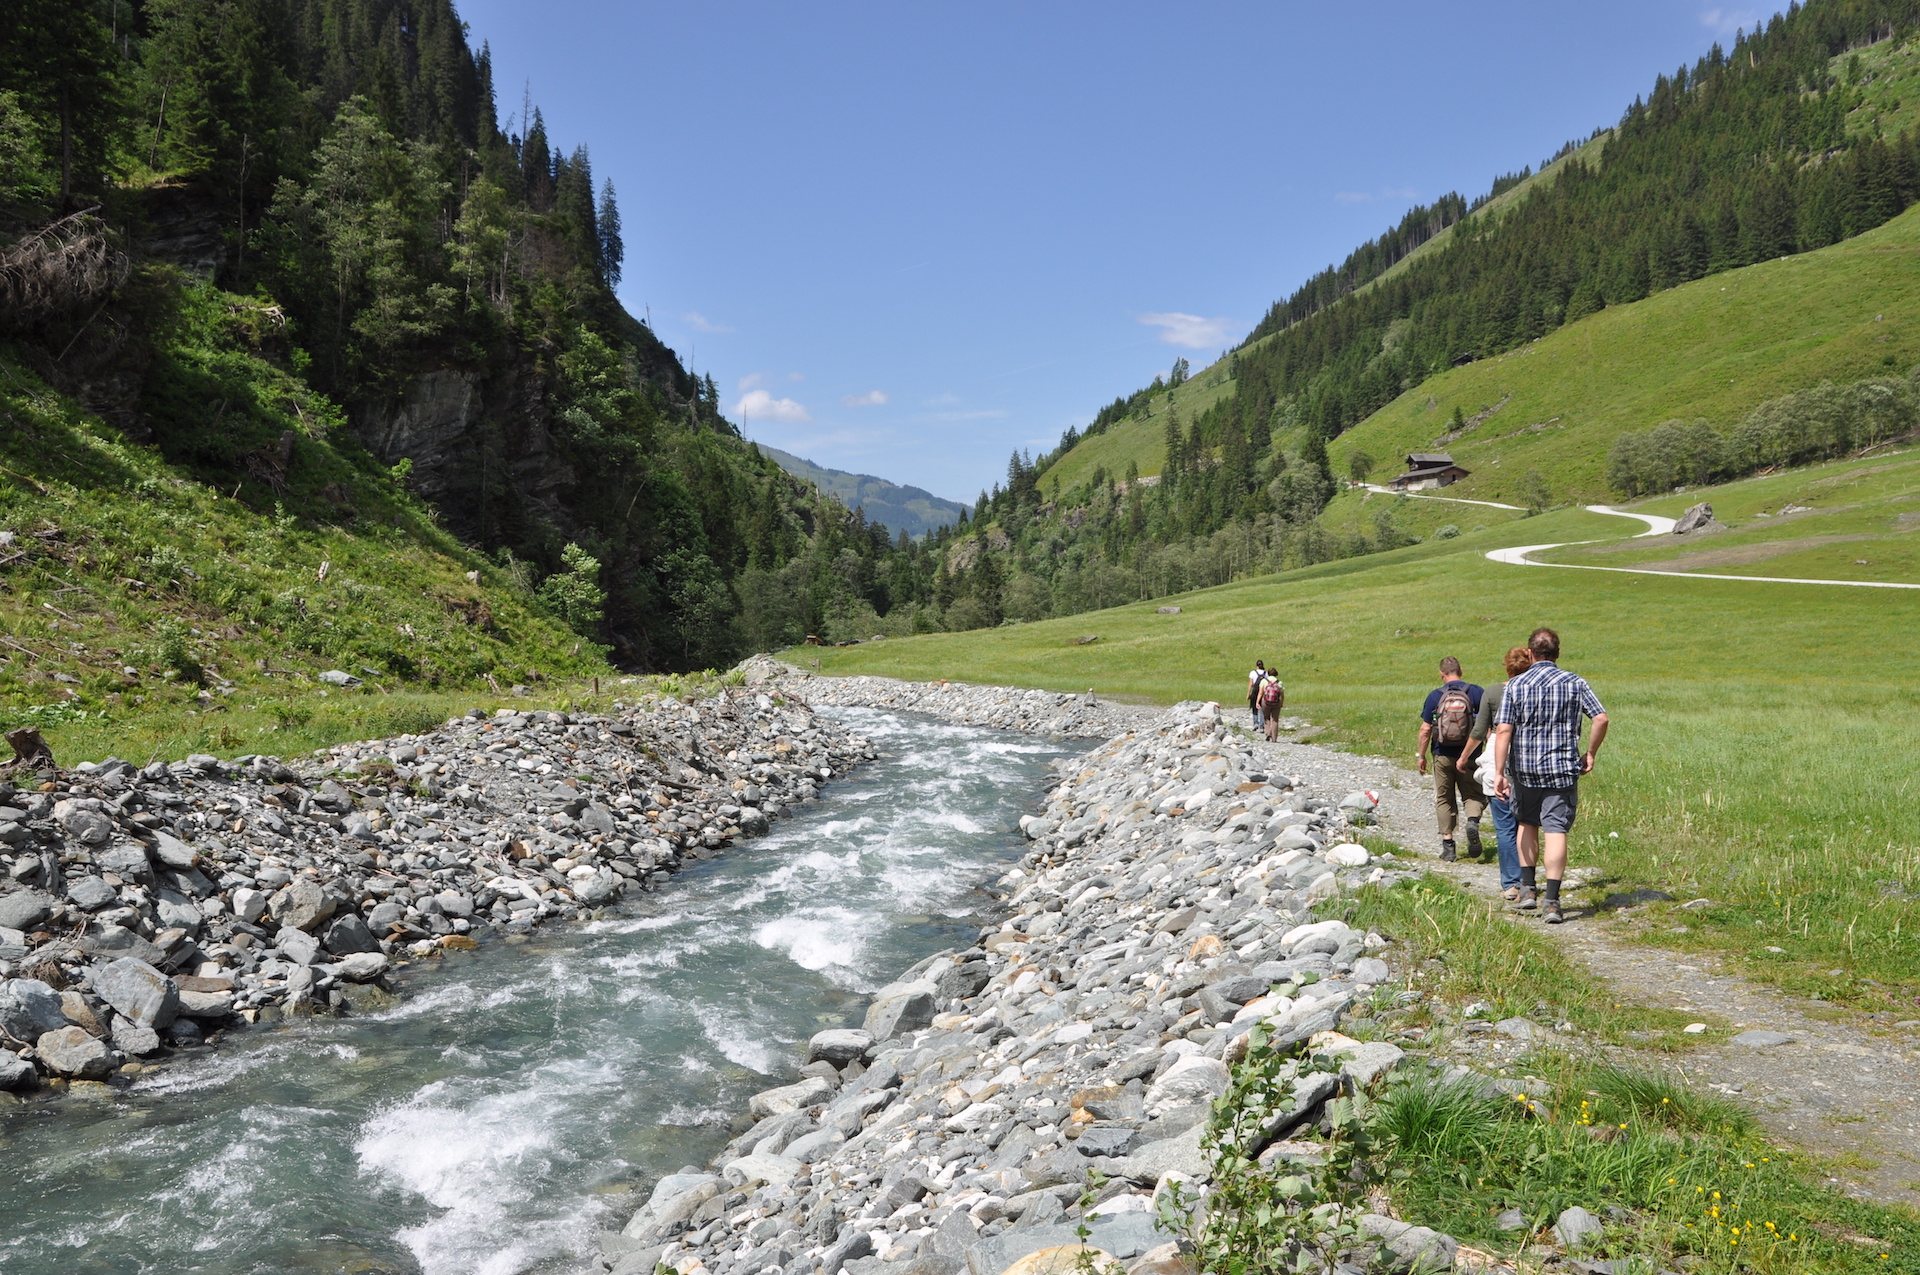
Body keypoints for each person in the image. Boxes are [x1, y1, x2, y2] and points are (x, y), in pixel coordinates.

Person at [1491, 627, 1609, 925]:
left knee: (1527, 824)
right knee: (1556, 829)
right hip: (1561, 769)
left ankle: (1528, 890)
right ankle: (1553, 902)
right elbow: (1601, 717)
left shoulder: (1515, 686)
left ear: (1530, 653)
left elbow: (1503, 729)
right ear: (1557, 654)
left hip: (1525, 770)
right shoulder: (1574, 682)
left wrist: (1499, 771)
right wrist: (1591, 752)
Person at [1459, 646, 1534, 901]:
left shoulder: (1492, 691)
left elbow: (1479, 730)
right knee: (1527, 823)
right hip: (1529, 757)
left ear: (1507, 667)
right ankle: (1528, 883)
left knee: (1505, 827)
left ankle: (1511, 884)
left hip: (1496, 758)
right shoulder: (1534, 690)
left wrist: (1464, 757)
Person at [1416, 656, 1485, 862]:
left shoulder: (1435, 696)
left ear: (1442, 674)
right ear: (1460, 671)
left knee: (1444, 798)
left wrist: (1421, 755)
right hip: (1470, 754)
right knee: (1473, 794)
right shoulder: (1476, 692)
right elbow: (1487, 726)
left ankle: (1448, 846)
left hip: (1442, 755)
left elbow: (1425, 729)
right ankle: (1472, 821)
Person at [1259, 663, 1285, 741]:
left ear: (1268, 673)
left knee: (1266, 718)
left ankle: (1267, 733)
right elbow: (1282, 694)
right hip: (1276, 702)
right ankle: (1274, 738)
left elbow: (1260, 693)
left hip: (1266, 702)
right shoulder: (1279, 682)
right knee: (1275, 719)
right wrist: (1281, 703)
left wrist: (1257, 702)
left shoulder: (1264, 681)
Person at [1246, 659, 1268, 730]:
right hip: (1263, 691)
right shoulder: (1266, 673)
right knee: (1261, 707)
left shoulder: (1252, 672)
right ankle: (1261, 725)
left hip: (1255, 691)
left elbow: (1250, 684)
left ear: (1256, 666)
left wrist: (1248, 694)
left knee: (1254, 707)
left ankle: (1255, 723)